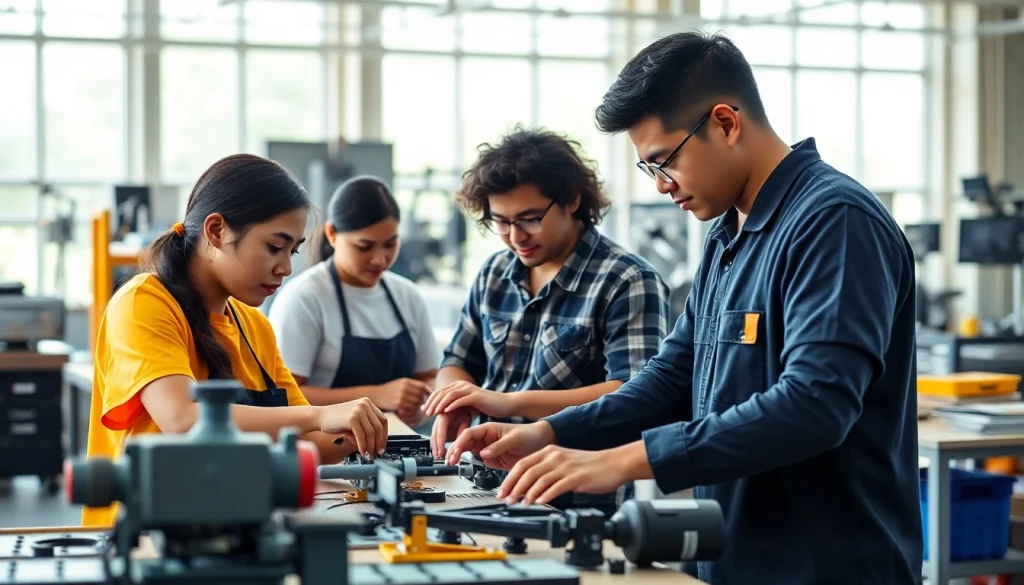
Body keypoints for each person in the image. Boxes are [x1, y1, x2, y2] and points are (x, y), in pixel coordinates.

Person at [446, 31, 922, 585]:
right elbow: (673, 377)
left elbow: (814, 405)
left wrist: (620, 461)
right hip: (733, 553)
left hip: (829, 563)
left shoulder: (835, 221)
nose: (662, 186)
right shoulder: (727, 235)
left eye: (663, 161)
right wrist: (549, 432)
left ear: (725, 122)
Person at [82, 154, 388, 527]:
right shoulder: (144, 303)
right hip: (148, 535)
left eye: (292, 252)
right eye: (275, 247)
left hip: (231, 528)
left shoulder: (253, 326)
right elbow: (182, 419)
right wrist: (322, 414)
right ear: (216, 231)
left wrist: (362, 431)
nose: (286, 268)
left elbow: (306, 440)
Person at [424, 126, 672, 512]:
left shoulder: (628, 281)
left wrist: (505, 402)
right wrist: (455, 400)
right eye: (500, 222)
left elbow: (633, 394)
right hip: (480, 486)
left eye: (529, 219)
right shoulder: (494, 272)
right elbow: (458, 361)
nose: (514, 237)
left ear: (572, 199)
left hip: (576, 500)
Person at [268, 176, 438, 428]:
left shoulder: (408, 296)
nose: (379, 259)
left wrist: (421, 408)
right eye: (364, 246)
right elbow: (285, 397)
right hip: (328, 446)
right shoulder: (305, 298)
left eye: (390, 244)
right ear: (332, 234)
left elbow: (429, 377)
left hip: (401, 441)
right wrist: (377, 395)